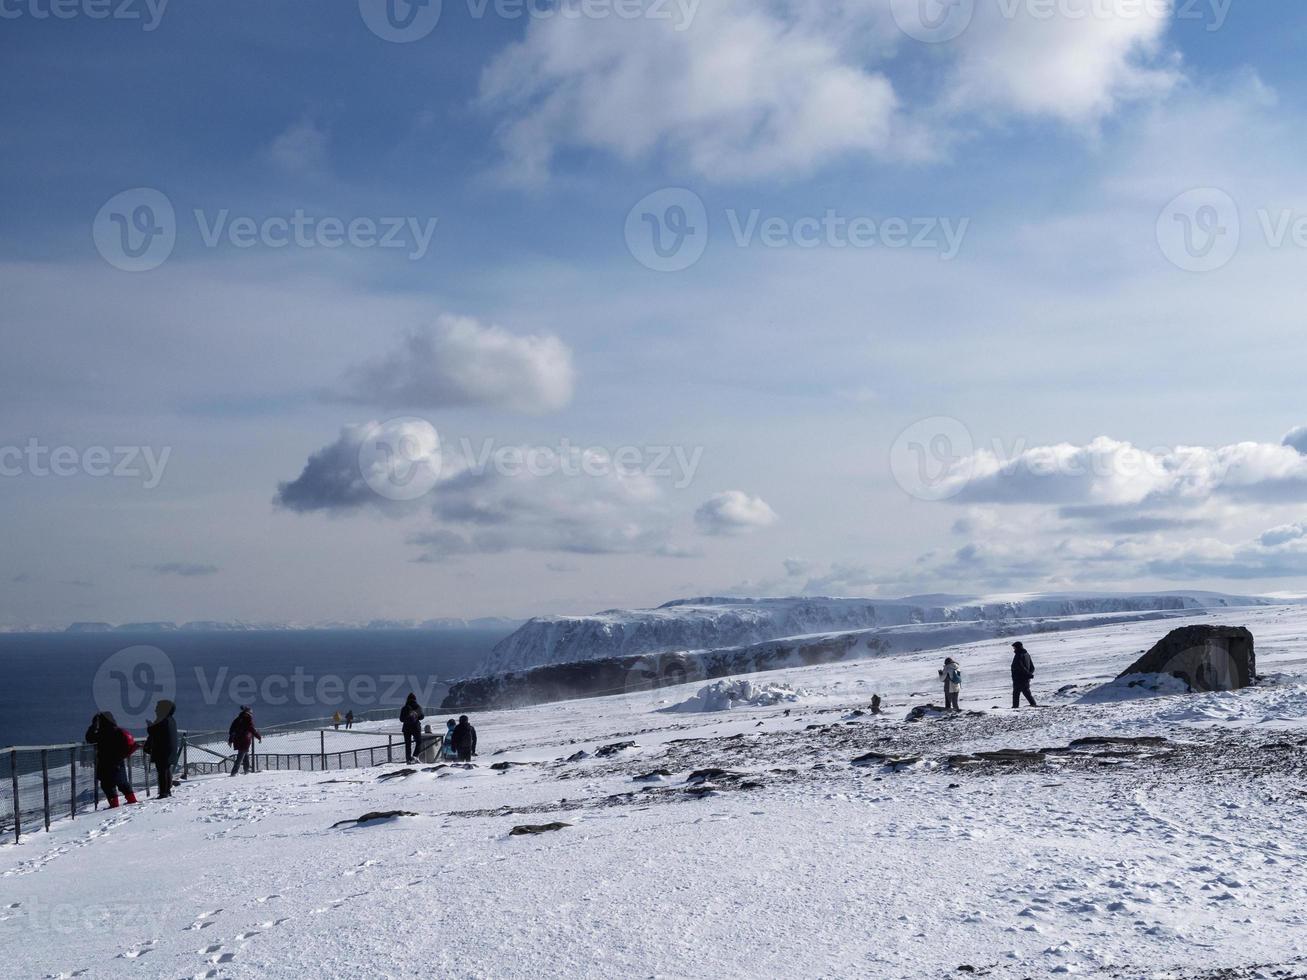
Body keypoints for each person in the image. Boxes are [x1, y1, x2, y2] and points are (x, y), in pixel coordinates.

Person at [85, 711, 137, 807]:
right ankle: (132, 800)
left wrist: (93, 725)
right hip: (119, 761)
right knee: (122, 783)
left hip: (106, 763)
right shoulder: (118, 731)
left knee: (108, 785)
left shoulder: (102, 733)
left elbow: (89, 738)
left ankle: (114, 805)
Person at [143, 699, 178, 799]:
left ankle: (163, 792)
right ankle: (167, 790)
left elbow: (154, 731)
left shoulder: (162, 719)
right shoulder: (171, 719)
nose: (155, 710)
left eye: (157, 708)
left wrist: (149, 725)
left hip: (162, 750)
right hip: (169, 749)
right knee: (166, 770)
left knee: (162, 771)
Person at [227, 705, 262, 776]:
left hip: (237, 739)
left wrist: (230, 740)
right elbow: (251, 729)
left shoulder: (237, 719)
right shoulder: (248, 719)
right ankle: (234, 773)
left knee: (245, 755)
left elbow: (232, 730)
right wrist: (259, 737)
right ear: (248, 712)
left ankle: (246, 770)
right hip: (245, 740)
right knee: (240, 757)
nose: (251, 713)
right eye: (250, 712)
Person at [1011, 641, 1038, 709]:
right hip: (1025, 678)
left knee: (1016, 693)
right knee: (1026, 692)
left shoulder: (1019, 655)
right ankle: (1033, 704)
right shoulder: (1026, 654)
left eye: (1014, 648)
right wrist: (1029, 674)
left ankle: (1015, 707)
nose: (1014, 649)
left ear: (1017, 647)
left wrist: (1028, 674)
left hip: (1019, 678)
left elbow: (1020, 666)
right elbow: (1032, 667)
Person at [399, 693, 424, 764]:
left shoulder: (404, 708)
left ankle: (408, 760)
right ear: (415, 699)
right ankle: (415, 756)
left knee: (408, 744)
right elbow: (422, 717)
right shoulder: (417, 707)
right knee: (419, 742)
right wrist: (416, 717)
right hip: (416, 727)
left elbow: (401, 719)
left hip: (406, 728)